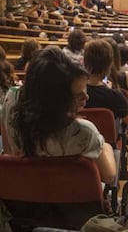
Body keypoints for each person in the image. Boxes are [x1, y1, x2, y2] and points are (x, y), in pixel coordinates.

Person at [1, 46, 116, 184]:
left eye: (84, 89)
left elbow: (9, 151)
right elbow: (109, 176)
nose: (86, 97)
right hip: (72, 200)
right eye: (77, 95)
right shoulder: (83, 132)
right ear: (55, 99)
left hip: (22, 195)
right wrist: (105, 147)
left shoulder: (10, 98)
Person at [83, 39, 128, 126]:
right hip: (107, 139)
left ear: (85, 61)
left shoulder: (73, 91)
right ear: (109, 64)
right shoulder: (113, 95)